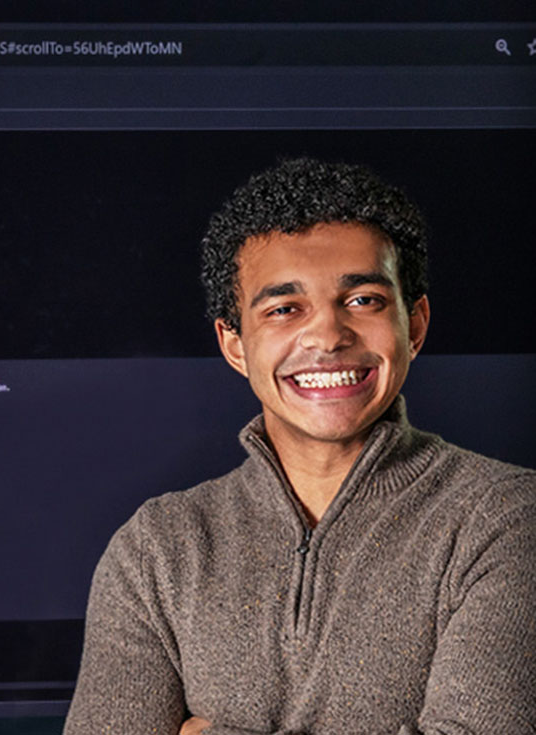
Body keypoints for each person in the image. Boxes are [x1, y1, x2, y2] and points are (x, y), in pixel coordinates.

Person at [62, 157, 536, 735]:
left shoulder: (507, 519)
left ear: (414, 324)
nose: (328, 336)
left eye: (363, 300)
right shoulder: (156, 551)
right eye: (284, 309)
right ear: (235, 344)